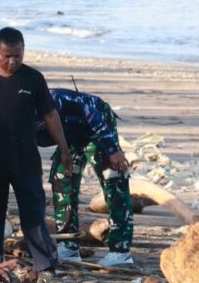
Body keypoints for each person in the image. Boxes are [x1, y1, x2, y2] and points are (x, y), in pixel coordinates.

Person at [0, 27, 71, 272]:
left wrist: (64, 149)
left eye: (18, 55)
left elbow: (50, 115)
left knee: (34, 215)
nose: (12, 61)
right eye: (6, 55)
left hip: (26, 158)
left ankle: (46, 266)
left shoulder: (33, 79)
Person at [40, 88, 134, 267]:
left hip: (95, 124)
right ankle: (68, 245)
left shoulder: (54, 100)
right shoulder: (16, 114)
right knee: (62, 181)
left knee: (112, 180)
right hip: (67, 136)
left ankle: (120, 251)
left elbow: (91, 116)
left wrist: (113, 150)